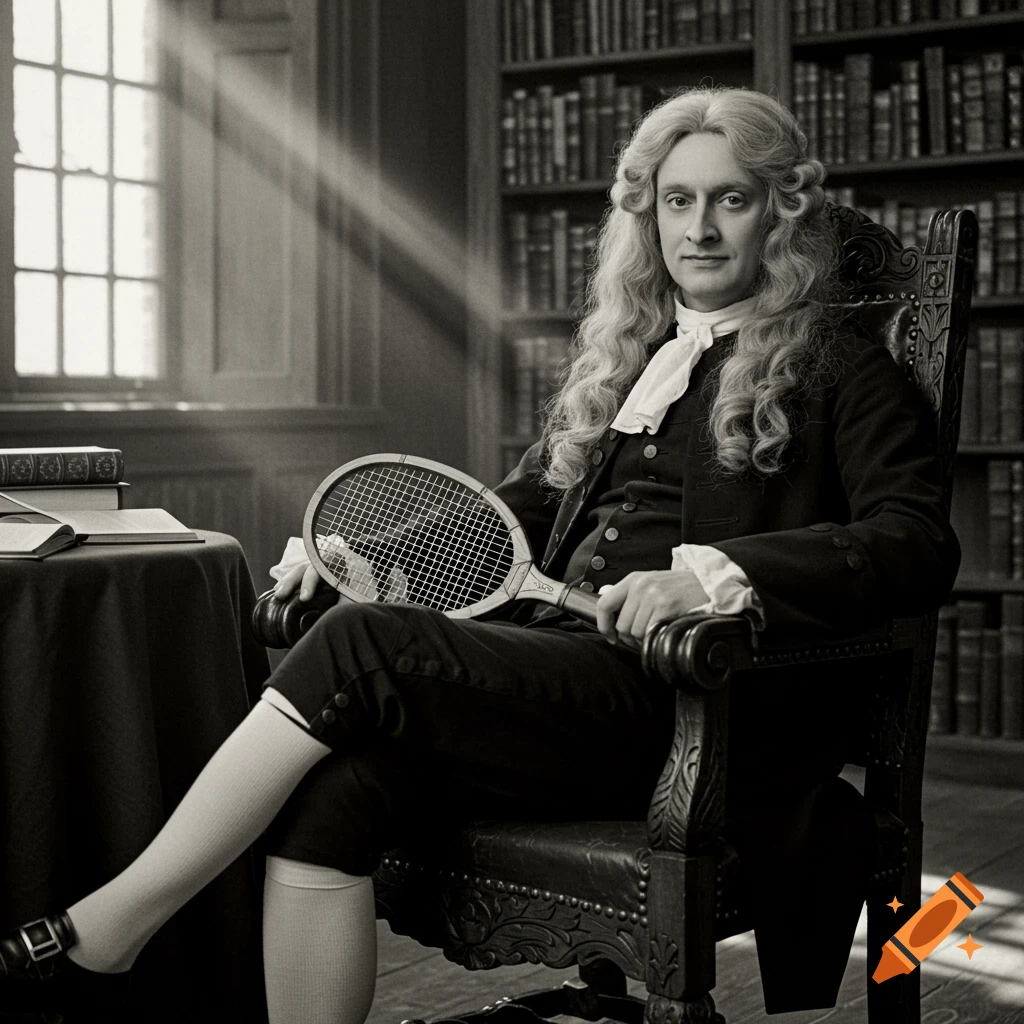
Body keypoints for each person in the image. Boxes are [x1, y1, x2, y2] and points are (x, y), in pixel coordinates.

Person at [1, 85, 959, 1022]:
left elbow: (914, 543)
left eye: (730, 199)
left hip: (698, 711)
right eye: (678, 200)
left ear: (778, 218)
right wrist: (345, 555)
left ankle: (112, 926)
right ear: (650, 217)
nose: (700, 228)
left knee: (360, 646)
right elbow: (504, 519)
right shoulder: (630, 363)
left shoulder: (844, 369)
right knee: (331, 801)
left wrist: (717, 574)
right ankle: (125, 937)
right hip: (564, 681)